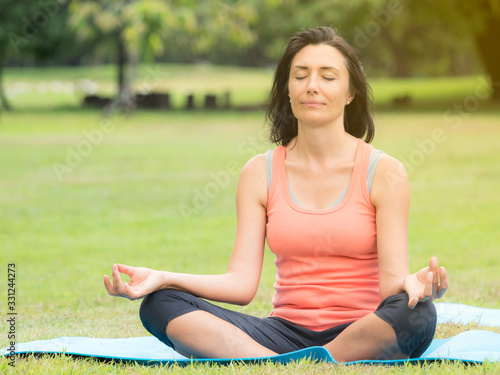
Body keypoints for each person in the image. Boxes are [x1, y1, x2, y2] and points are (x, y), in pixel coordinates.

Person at [103, 26, 448, 362]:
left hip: (362, 329)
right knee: (160, 304)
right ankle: (290, 363)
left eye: (327, 77)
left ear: (350, 92)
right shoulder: (259, 172)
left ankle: (282, 365)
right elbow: (241, 285)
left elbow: (392, 288)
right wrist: (163, 278)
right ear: (287, 88)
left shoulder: (385, 172)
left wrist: (416, 285)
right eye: (300, 75)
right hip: (281, 334)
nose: (312, 86)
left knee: (417, 314)